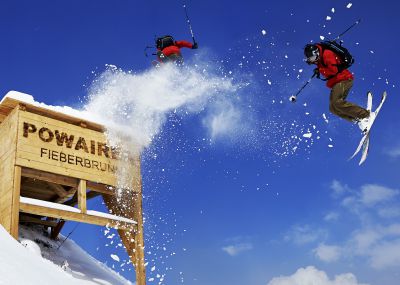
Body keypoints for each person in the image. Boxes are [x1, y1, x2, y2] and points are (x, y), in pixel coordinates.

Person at [304, 43, 373, 133]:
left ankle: (365, 115)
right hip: (337, 82)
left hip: (344, 79)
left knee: (336, 102)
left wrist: (320, 70)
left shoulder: (327, 54)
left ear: (316, 52)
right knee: (333, 108)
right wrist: (318, 69)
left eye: (312, 58)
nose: (313, 61)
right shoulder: (319, 60)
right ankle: (359, 120)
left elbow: (333, 70)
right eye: (310, 59)